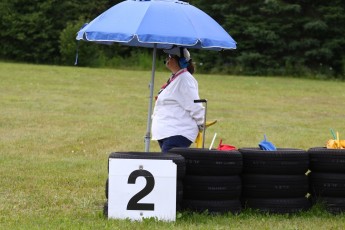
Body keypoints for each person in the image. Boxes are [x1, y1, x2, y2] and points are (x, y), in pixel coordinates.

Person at [151, 46, 204, 153]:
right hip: (168, 131)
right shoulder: (176, 77)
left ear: (179, 61)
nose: (168, 59)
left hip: (177, 132)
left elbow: (195, 105)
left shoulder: (185, 79)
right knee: (171, 167)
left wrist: (201, 124)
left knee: (168, 166)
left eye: (171, 57)